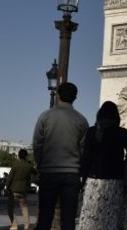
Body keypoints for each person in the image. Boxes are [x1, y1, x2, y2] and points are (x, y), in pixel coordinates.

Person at [78, 101, 127, 229]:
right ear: (117, 117)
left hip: (94, 182)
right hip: (115, 183)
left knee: (92, 219)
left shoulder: (91, 132)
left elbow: (86, 158)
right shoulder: (123, 133)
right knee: (112, 219)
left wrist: (81, 180)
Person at [32, 82, 89, 230]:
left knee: (45, 216)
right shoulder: (82, 120)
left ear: (57, 96)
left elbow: (37, 144)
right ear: (75, 97)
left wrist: (41, 164)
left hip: (49, 171)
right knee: (69, 218)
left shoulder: (45, 116)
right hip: (71, 173)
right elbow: (84, 149)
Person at [6, 149, 37, 230]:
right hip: (23, 190)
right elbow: (35, 172)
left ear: (19, 155)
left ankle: (14, 225)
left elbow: (10, 177)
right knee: (24, 207)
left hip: (13, 190)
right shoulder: (28, 166)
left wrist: (7, 187)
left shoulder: (15, 165)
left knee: (10, 208)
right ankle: (27, 225)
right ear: (26, 156)